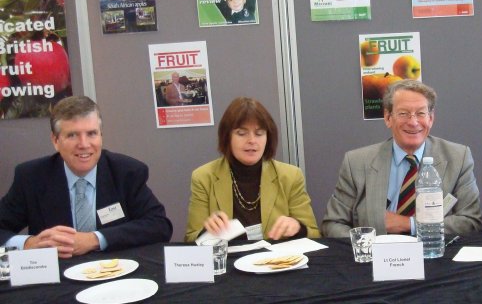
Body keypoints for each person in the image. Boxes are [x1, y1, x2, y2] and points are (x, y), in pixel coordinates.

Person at [0, 96, 172, 258]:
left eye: (91, 134)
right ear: (55, 141)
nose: (83, 144)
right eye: (72, 135)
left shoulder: (126, 172)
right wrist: (29, 244)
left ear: (101, 136)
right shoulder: (31, 177)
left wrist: (94, 240)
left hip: (115, 272)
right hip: (56, 279)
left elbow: (159, 226)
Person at [322, 80, 482, 237]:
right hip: (375, 258)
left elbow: (472, 222)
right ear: (388, 118)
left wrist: (410, 224)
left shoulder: (458, 158)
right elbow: (333, 224)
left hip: (435, 254)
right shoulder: (357, 162)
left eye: (421, 113)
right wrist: (367, 247)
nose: (413, 122)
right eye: (403, 113)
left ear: (431, 119)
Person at [185, 97, 319, 242]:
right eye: (241, 133)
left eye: (259, 133)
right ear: (226, 137)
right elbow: (190, 239)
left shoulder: (290, 176)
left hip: (277, 262)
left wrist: (298, 228)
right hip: (229, 261)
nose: (252, 141)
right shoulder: (204, 177)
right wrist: (208, 232)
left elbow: (315, 234)